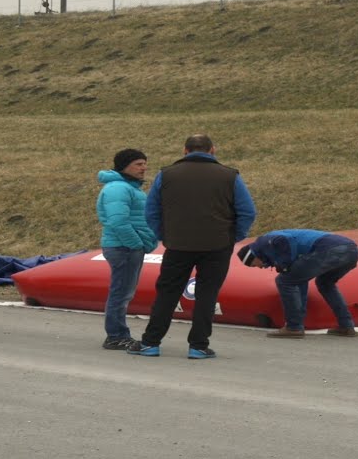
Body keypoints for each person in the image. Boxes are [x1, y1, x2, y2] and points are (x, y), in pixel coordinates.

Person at [128, 134, 256, 360]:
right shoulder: (230, 176)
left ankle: (151, 342)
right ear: (212, 150)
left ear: (185, 151)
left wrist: (164, 235)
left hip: (178, 245)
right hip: (217, 245)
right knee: (207, 294)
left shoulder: (166, 174)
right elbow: (247, 212)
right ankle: (198, 345)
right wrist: (233, 236)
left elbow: (151, 211)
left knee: (167, 293)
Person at [236, 229, 358, 338]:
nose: (259, 267)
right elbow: (300, 275)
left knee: (284, 281)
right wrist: (286, 265)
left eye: (254, 265)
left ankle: (293, 327)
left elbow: (285, 239)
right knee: (325, 283)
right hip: (351, 250)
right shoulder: (270, 248)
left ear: (253, 256)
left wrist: (285, 264)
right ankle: (346, 326)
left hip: (330, 249)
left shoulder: (263, 242)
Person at [96, 148, 158, 350]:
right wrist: (136, 243)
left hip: (126, 247)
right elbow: (118, 221)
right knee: (121, 293)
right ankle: (116, 336)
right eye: (138, 164)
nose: (144, 168)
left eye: (144, 163)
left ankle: (117, 333)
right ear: (125, 166)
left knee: (123, 292)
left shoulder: (129, 187)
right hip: (123, 247)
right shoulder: (118, 188)